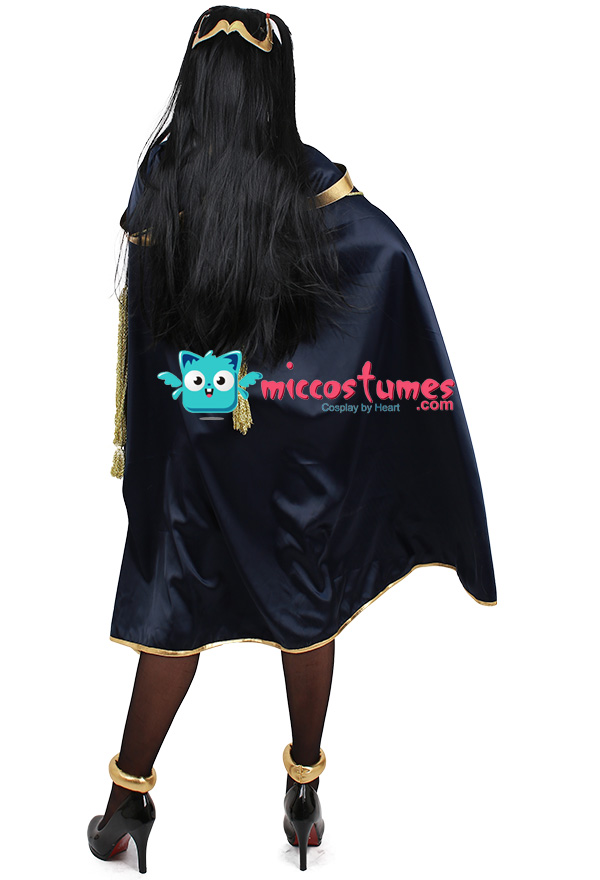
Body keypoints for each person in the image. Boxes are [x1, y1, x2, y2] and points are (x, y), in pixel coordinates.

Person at [87, 5, 497, 873]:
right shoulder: (310, 184)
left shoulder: (163, 181)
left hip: (194, 452)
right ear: (277, 88)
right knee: (305, 600)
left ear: (196, 85)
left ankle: (126, 805)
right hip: (286, 459)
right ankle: (304, 798)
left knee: (174, 605)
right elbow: (382, 254)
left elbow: (152, 343)